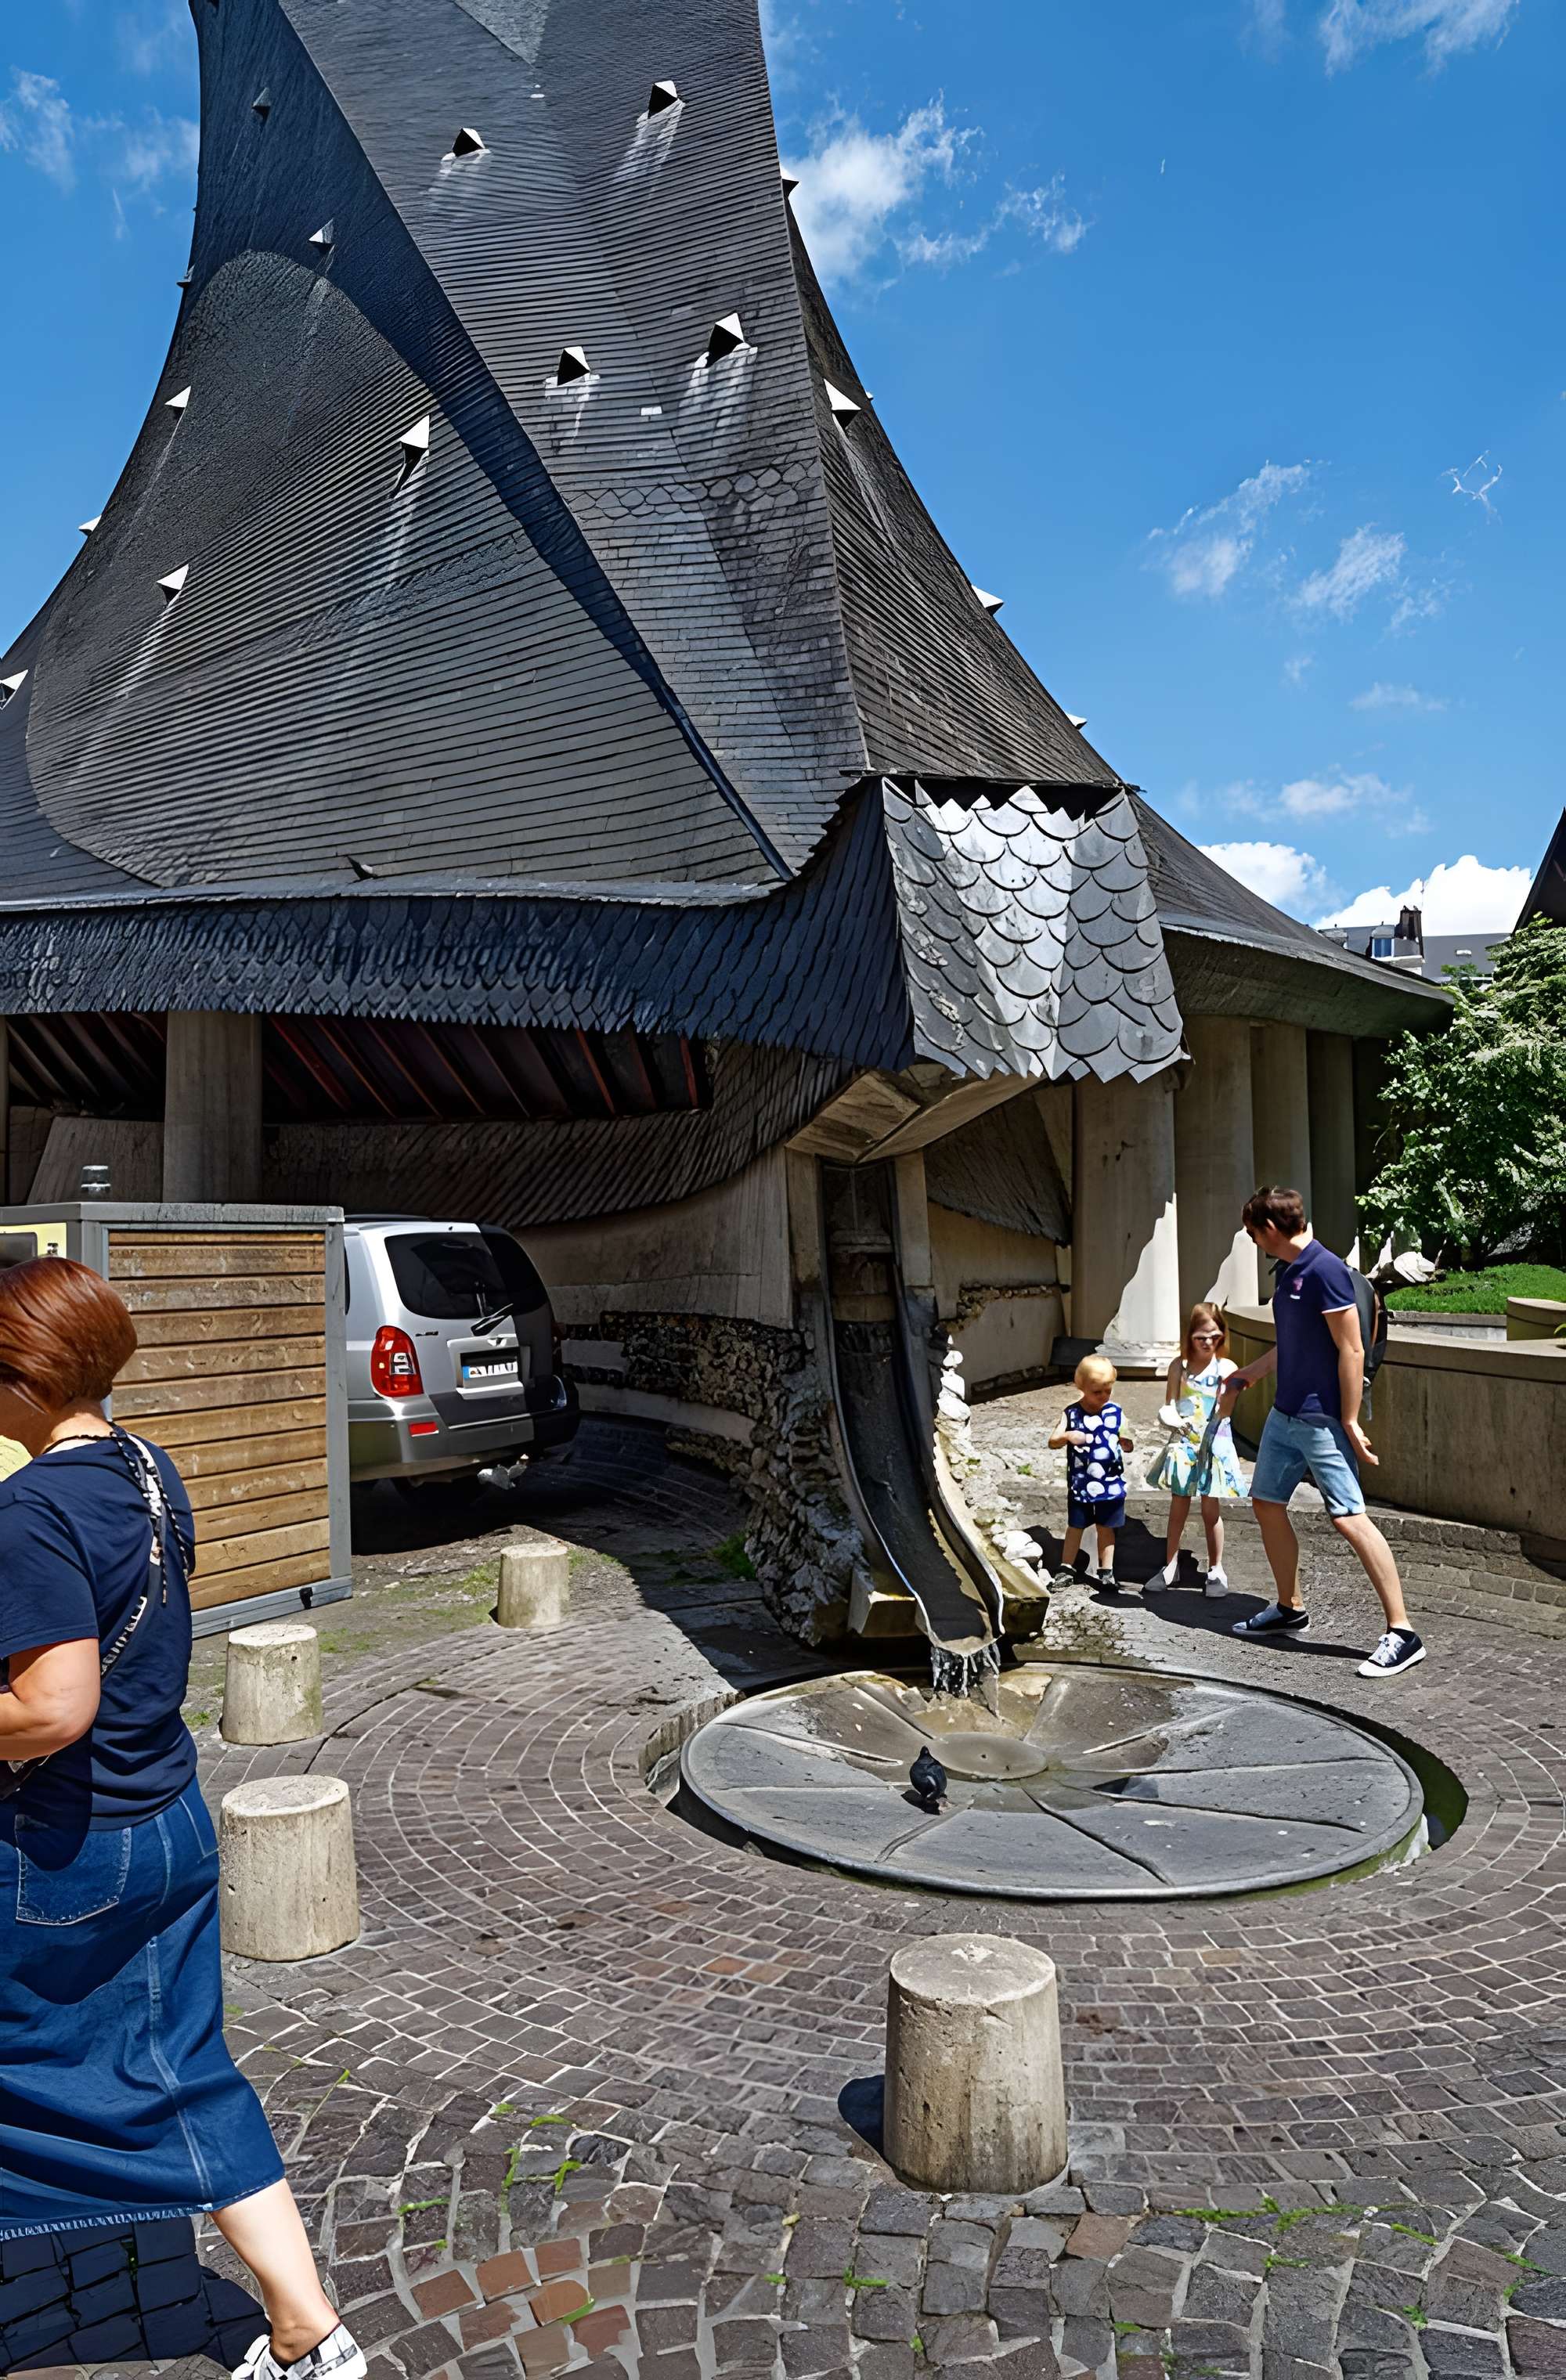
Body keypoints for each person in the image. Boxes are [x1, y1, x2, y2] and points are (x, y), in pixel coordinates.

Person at [0, 1257, 364, 2380]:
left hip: (66, 1851)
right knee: (186, 2067)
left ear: (21, 1378)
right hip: (168, 1822)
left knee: (31, 2062)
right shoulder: (150, 1471)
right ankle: (309, 2329)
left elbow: (54, 1707)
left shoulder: (27, 1513)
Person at [1220, 1186, 1423, 1679]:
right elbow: (1291, 1345)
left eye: (1252, 1233)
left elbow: (1351, 1349)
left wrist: (1350, 1420)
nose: (1252, 1241)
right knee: (1267, 1504)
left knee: (1350, 1517)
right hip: (1285, 1416)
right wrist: (1249, 1375)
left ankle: (1403, 1633)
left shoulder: (1326, 1270)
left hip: (1323, 1421)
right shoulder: (1288, 1270)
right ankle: (1290, 1608)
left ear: (1269, 1230)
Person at [1145, 1301, 1247, 1596]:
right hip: (1184, 1443)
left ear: (1222, 1335)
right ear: (1190, 1336)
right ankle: (1170, 1566)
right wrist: (1172, 1419)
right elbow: (1169, 1405)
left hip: (1214, 1442)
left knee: (1210, 1508)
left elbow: (1227, 1409)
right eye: (1201, 1336)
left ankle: (1216, 1569)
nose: (1207, 1342)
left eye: (1214, 1336)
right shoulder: (1180, 1366)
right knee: (1178, 1505)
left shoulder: (1226, 1368)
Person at [1048, 1354, 1134, 1591]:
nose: (1104, 1397)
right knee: (1076, 1526)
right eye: (1098, 1392)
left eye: (1108, 1391)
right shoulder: (1072, 1414)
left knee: (1106, 1528)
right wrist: (1067, 1436)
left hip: (1110, 1484)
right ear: (1082, 1387)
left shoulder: (1116, 1412)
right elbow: (1053, 1440)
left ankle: (1107, 1572)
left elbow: (1125, 1437)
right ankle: (1066, 1567)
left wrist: (1127, 1443)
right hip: (1081, 1483)